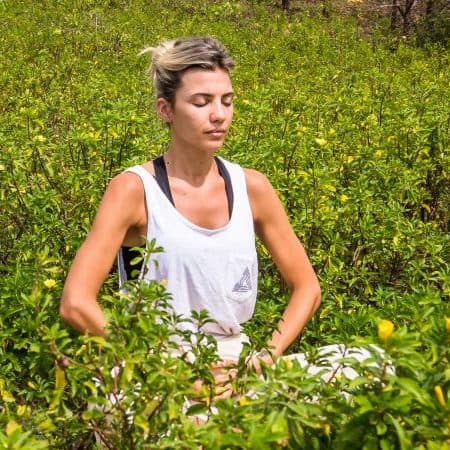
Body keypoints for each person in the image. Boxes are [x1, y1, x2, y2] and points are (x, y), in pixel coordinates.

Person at [60, 36, 322, 387]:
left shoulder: (252, 187)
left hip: (236, 363)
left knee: (368, 365)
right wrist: (161, 369)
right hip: (157, 368)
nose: (218, 115)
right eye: (201, 102)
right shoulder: (134, 190)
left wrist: (264, 358)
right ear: (165, 110)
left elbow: (307, 287)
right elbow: (75, 303)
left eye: (226, 102)